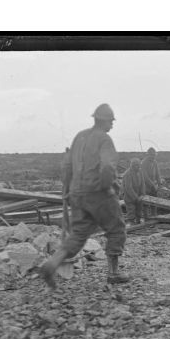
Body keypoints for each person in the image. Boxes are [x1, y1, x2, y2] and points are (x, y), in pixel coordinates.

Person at [39, 103, 128, 286]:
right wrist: (107, 187)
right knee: (116, 228)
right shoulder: (104, 139)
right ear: (103, 121)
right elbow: (108, 167)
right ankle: (113, 273)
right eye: (111, 121)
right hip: (98, 193)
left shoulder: (79, 137)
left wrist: (67, 190)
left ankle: (53, 263)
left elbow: (66, 166)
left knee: (78, 234)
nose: (112, 124)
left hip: (77, 194)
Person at [122, 158, 145, 224]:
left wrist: (142, 194)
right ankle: (131, 222)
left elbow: (143, 183)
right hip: (129, 196)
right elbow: (128, 187)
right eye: (136, 165)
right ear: (132, 166)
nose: (137, 167)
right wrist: (135, 197)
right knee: (131, 210)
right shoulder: (127, 174)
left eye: (138, 165)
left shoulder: (140, 172)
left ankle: (138, 221)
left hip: (138, 194)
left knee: (139, 209)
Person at [142, 147, 162, 217]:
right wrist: (152, 185)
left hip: (153, 185)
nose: (153, 157)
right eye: (151, 155)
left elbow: (157, 174)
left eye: (154, 155)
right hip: (145, 186)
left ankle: (154, 215)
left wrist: (159, 184)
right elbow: (145, 176)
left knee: (154, 201)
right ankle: (146, 217)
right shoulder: (144, 163)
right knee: (146, 202)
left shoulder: (155, 162)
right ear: (148, 155)